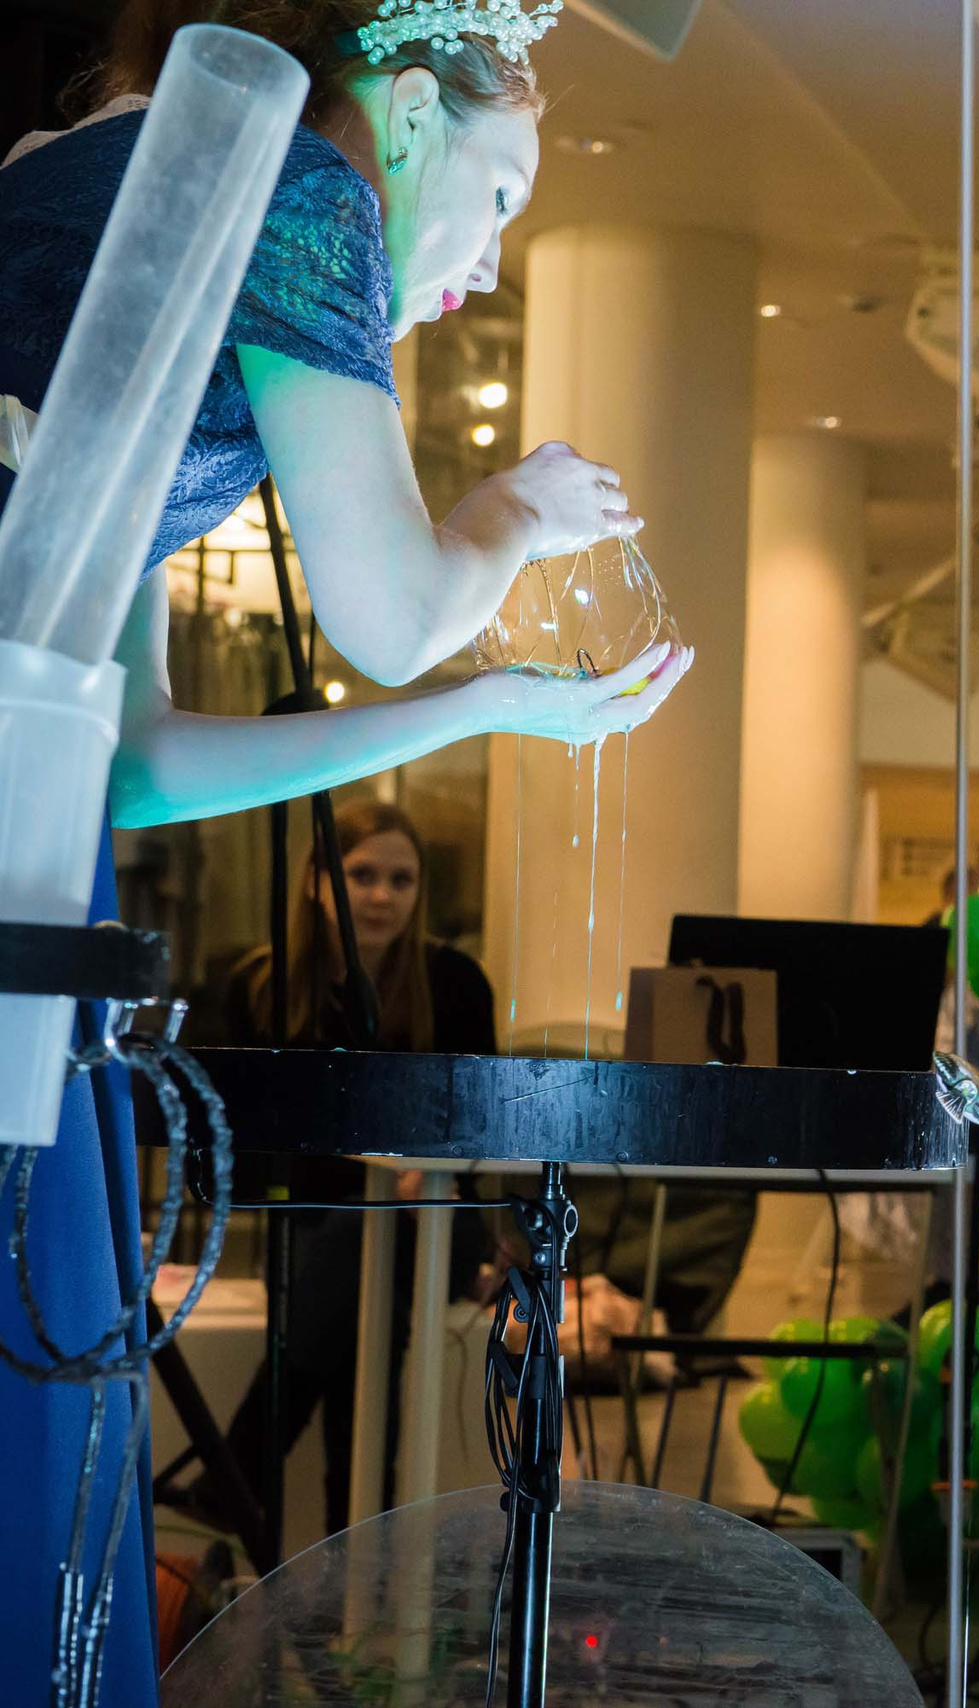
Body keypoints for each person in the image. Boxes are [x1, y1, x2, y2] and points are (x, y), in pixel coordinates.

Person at [0, 6, 685, 1698]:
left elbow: (141, 763)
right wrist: (513, 515)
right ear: (401, 101)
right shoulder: (309, 189)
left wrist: (484, 713)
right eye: (505, 193)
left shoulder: (129, 191)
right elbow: (385, 616)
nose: (488, 253)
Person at [205, 800, 495, 1534]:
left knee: (361, 1248)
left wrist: (425, 1168)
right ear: (315, 881)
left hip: (436, 1218)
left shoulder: (456, 982)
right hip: (325, 1227)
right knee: (362, 1293)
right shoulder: (260, 984)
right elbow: (243, 1135)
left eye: (401, 880)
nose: (380, 896)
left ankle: (232, 1478)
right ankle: (360, 1557)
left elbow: (482, 1126)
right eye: (361, 874)